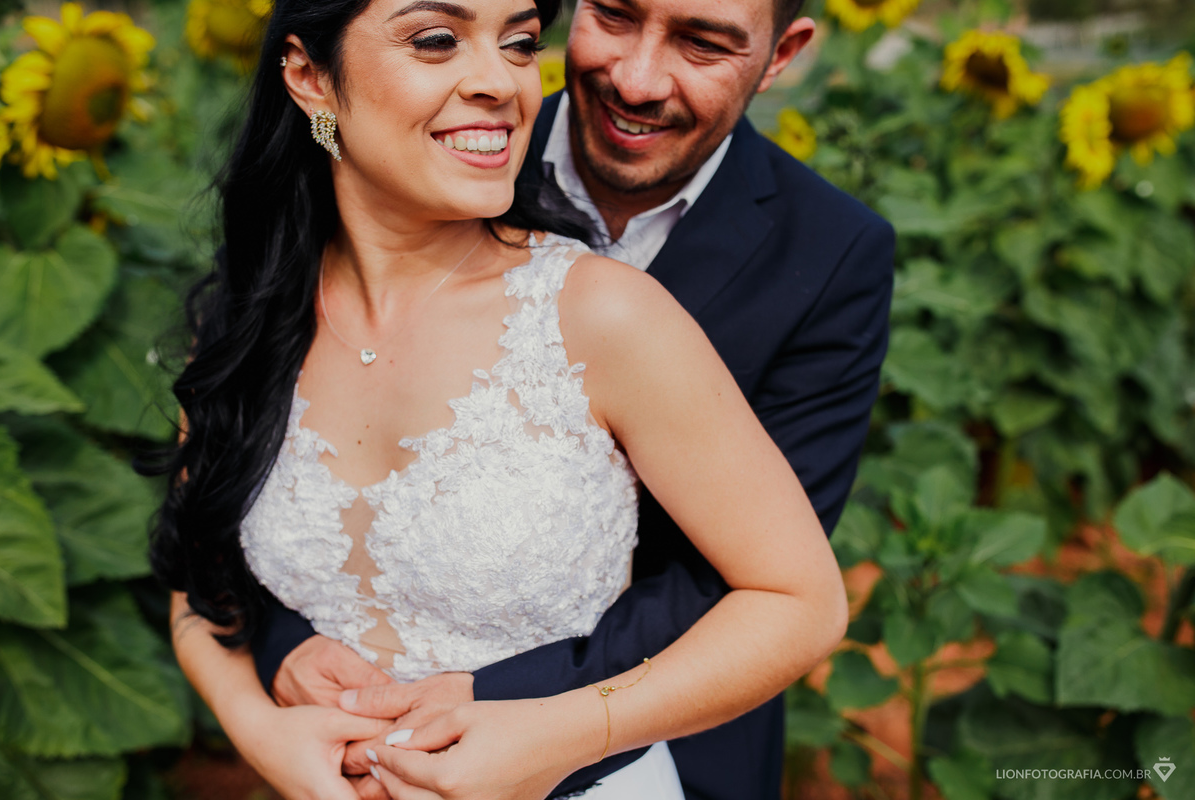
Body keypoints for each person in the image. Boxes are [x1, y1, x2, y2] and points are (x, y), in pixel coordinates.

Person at [154, 0, 852, 799]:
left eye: (520, 43)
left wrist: (560, 732)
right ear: (310, 76)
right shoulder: (250, 312)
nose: (500, 81)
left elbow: (800, 601)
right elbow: (195, 573)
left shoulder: (601, 315)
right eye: (437, 40)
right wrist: (259, 727)